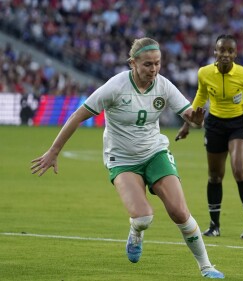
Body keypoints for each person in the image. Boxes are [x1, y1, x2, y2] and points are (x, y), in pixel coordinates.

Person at [30, 37, 225, 279]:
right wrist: (54, 151)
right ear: (133, 63)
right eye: (147, 65)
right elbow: (78, 116)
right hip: (121, 159)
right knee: (143, 217)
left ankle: (207, 267)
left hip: (155, 153)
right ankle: (136, 231)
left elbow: (189, 115)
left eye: (157, 64)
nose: (153, 70)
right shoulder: (115, 86)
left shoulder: (163, 86)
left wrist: (195, 121)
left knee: (179, 212)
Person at [175, 34, 243, 240]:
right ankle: (214, 225)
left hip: (239, 124)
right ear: (215, 52)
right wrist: (187, 125)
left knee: (239, 169)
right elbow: (200, 98)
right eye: (221, 50)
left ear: (235, 53)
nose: (225, 54)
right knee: (215, 176)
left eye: (229, 51)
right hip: (215, 124)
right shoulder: (205, 73)